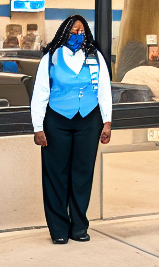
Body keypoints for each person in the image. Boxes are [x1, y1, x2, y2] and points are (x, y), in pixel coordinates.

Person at [29, 15, 112, 244]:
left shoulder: (94, 58)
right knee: (56, 175)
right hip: (57, 121)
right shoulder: (51, 58)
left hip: (88, 119)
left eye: (82, 32)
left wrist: (107, 122)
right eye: (74, 32)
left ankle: (78, 227)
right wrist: (38, 127)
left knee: (82, 175)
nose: (78, 36)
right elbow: (40, 93)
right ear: (64, 33)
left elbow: (104, 91)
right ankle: (58, 229)